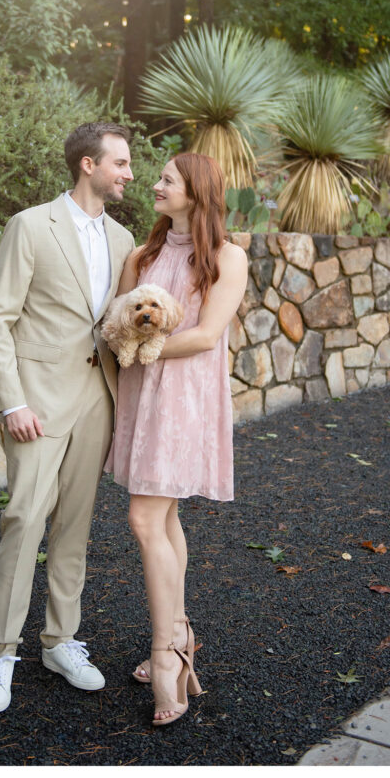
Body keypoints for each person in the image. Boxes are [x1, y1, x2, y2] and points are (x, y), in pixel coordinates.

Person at [0, 122, 135, 713]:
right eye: (120, 162)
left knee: (76, 524)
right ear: (88, 165)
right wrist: (12, 400)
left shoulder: (123, 241)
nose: (129, 173)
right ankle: (1, 653)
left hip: (99, 396)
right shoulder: (29, 225)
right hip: (37, 399)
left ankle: (61, 640)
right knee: (23, 518)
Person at [104, 152, 248, 726]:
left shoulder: (227, 257)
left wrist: (146, 350)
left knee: (144, 521)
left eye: (167, 179)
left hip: (184, 400)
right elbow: (117, 319)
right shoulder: (144, 255)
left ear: (197, 191)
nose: (155, 185)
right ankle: (182, 629)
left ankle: (166, 657)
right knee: (163, 521)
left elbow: (208, 335)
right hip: (142, 397)